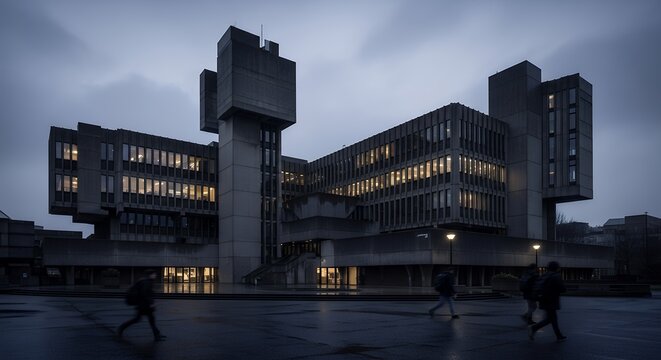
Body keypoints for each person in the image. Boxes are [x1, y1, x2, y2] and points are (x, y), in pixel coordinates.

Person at [117, 269, 165, 341]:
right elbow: (144, 293)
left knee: (150, 320)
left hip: (144, 305)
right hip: (144, 305)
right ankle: (121, 328)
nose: (155, 275)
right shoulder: (146, 282)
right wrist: (151, 303)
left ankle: (157, 335)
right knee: (140, 319)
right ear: (151, 275)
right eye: (154, 274)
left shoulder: (147, 281)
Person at [528, 261, 567, 342]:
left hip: (544, 300)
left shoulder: (545, 275)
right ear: (556, 268)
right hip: (552, 301)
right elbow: (563, 289)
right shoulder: (556, 276)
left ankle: (559, 336)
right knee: (551, 319)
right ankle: (534, 328)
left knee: (552, 319)